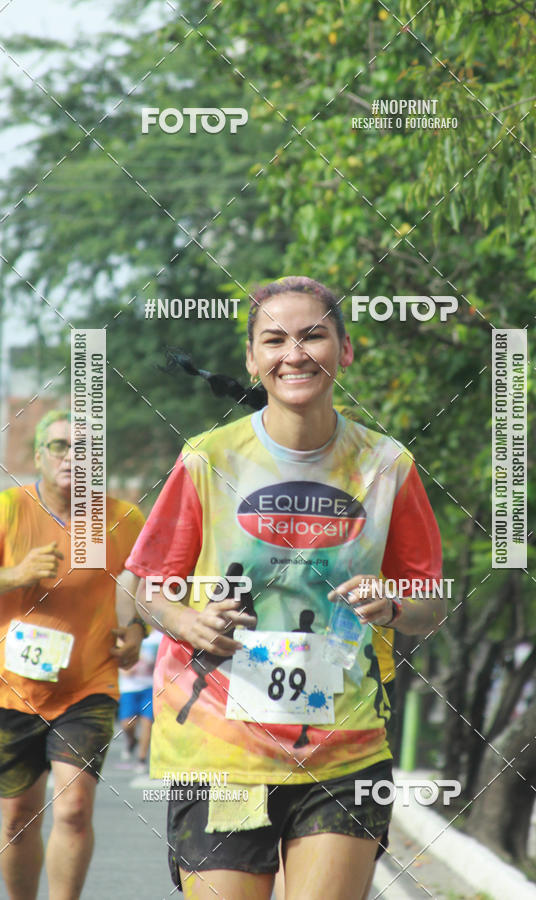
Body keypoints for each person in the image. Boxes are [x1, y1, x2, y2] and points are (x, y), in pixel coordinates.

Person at [127, 276, 444, 900]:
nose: (294, 354)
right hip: (221, 750)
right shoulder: (208, 458)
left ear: (344, 350)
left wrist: (395, 604)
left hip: (345, 748)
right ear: (252, 359)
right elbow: (146, 585)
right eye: (274, 340)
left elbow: (430, 602)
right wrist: (187, 621)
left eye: (313, 336)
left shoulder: (387, 466)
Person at [0, 410, 145, 900]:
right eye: (60, 446)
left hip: (89, 686)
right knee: (18, 816)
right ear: (38, 456)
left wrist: (138, 629)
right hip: (11, 689)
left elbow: (151, 584)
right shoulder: (8, 509)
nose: (72, 457)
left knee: (74, 808)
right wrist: (16, 575)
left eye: (84, 448)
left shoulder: (124, 519)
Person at [118, 629, 162, 771]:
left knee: (147, 724)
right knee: (127, 724)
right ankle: (132, 741)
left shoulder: (159, 636)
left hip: (150, 687)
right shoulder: (128, 633)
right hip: (129, 687)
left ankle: (142, 759)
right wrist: (123, 669)